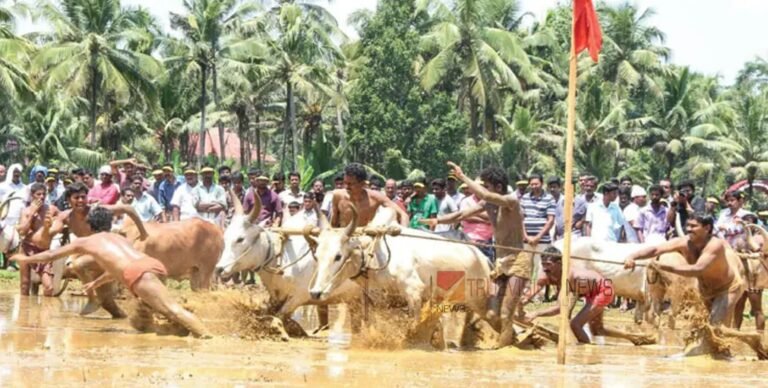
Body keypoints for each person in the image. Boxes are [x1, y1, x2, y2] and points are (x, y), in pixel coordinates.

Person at [11, 207, 211, 339]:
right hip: (153, 266)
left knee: (172, 310)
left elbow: (52, 254)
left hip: (138, 274)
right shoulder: (120, 237)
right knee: (144, 321)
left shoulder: (86, 241)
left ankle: (208, 337)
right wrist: (96, 283)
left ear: (90, 226)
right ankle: (180, 331)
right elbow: (117, 268)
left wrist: (26, 259)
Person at [422, 162, 527, 348]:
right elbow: (461, 214)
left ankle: (505, 351)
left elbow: (486, 194)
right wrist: (437, 220)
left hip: (519, 262)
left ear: (498, 187)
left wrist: (462, 176)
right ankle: (511, 340)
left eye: (486, 185)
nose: (482, 190)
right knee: (491, 314)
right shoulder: (487, 203)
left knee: (505, 313)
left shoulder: (511, 201)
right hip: (501, 263)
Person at [624, 214, 744, 328]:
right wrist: (632, 256)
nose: (688, 229)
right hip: (705, 289)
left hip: (728, 288)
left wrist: (664, 267)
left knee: (715, 325)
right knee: (704, 325)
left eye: (693, 226)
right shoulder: (684, 242)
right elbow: (656, 249)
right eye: (687, 225)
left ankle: (726, 346)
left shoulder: (715, 245)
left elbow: (697, 269)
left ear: (707, 228)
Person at [523, 247, 654, 345]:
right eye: (544, 265)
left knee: (575, 325)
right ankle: (634, 337)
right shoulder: (546, 274)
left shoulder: (567, 275)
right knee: (598, 330)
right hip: (590, 292)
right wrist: (521, 302)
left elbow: (560, 308)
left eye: (549, 265)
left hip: (603, 290)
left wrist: (536, 313)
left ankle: (586, 350)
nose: (546, 269)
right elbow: (532, 291)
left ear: (559, 263)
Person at [331, 163, 409, 228]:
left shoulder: (376, 197)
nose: (346, 187)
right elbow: (333, 223)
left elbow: (403, 215)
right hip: (344, 239)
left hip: (368, 239)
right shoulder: (338, 196)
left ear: (363, 184)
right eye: (345, 183)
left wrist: (403, 234)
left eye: (350, 184)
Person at [16, 183, 59, 296]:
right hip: (26, 248)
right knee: (25, 285)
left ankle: (46, 312)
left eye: (44, 194)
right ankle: (24, 312)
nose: (41, 197)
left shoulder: (51, 209)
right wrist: (32, 214)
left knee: (48, 287)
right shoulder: (26, 211)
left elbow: (62, 220)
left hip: (44, 251)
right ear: (32, 195)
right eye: (38, 194)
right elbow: (22, 232)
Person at [520, 173, 555, 287]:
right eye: (532, 184)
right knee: (525, 266)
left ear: (542, 184)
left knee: (541, 266)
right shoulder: (524, 198)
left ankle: (538, 293)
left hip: (542, 240)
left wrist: (537, 237)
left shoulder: (549, 198)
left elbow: (550, 220)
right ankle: (525, 290)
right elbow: (521, 218)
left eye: (536, 184)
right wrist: (525, 236)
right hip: (526, 239)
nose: (534, 186)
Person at [733, 212, 764, 332]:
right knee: (738, 307)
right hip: (741, 277)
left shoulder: (761, 238)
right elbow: (734, 252)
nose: (746, 225)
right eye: (744, 222)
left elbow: (761, 254)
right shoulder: (739, 238)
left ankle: (760, 337)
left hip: (754, 277)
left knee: (757, 309)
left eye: (748, 222)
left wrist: (747, 255)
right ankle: (735, 332)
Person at [547, 177, 565, 241]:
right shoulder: (546, 201)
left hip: (563, 235)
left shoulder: (565, 200)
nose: (552, 189)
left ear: (559, 188)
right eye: (550, 187)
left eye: (554, 187)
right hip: (550, 235)